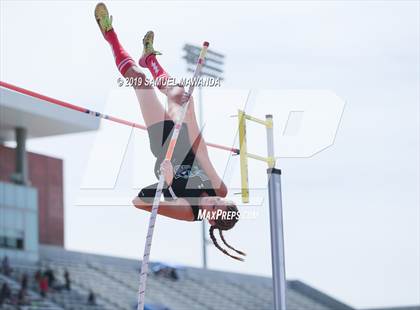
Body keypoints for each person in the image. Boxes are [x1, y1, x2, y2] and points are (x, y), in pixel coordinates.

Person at [94, 2, 245, 261]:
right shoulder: (219, 189)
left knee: (140, 82)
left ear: (210, 221)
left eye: (214, 211)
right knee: (179, 94)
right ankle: (150, 58)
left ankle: (110, 34)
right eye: (219, 205)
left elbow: (139, 201)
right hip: (185, 141)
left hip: (164, 143)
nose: (213, 204)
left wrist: (165, 181)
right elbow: (202, 154)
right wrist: (190, 117)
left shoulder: (188, 212)